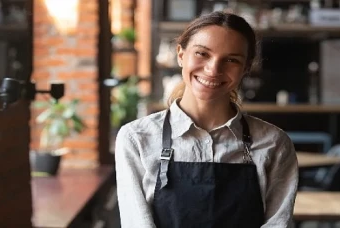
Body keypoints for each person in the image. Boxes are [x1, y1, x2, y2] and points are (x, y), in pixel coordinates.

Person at [115, 11, 298, 228]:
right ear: (181, 55)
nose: (213, 69)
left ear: (246, 68)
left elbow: (278, 224)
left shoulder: (274, 143)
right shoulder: (137, 138)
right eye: (202, 53)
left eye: (231, 59)